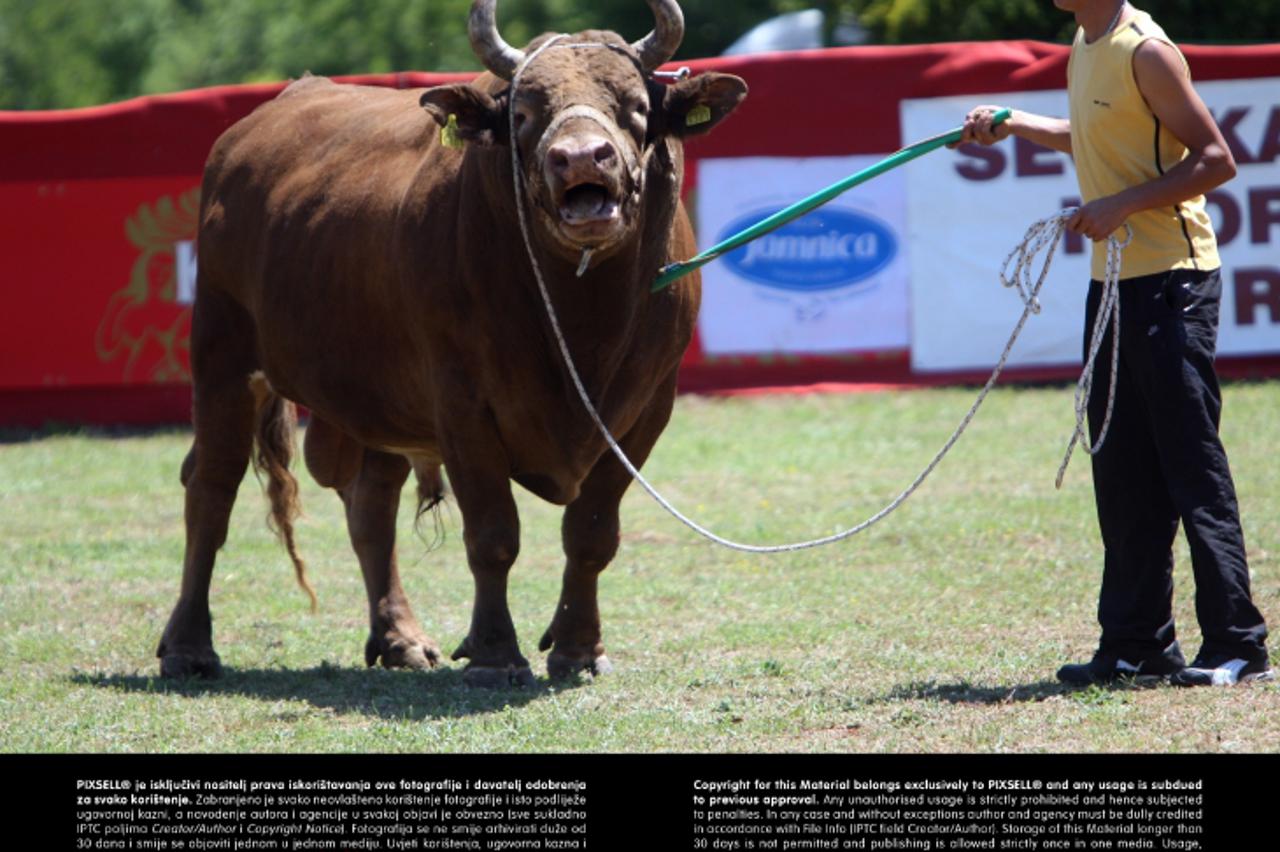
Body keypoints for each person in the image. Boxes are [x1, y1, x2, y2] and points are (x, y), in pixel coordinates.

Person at [956, 1, 1271, 687]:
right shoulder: (1086, 38)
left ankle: (1238, 645)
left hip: (1174, 283)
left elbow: (1217, 160)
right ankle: (1137, 645)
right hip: (1116, 284)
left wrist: (1122, 204)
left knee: (1190, 464)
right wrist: (1010, 124)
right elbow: (1093, 137)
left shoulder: (1146, 50)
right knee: (1120, 463)